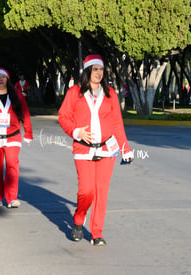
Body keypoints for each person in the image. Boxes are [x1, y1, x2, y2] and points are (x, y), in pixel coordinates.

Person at [58, 55, 134, 246]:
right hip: (83, 149)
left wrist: (125, 148)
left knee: (101, 191)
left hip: (107, 150)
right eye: (95, 69)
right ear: (87, 72)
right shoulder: (74, 92)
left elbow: (117, 123)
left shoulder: (110, 94)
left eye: (101, 69)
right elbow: (63, 117)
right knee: (87, 191)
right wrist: (76, 131)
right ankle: (78, 218)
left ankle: (97, 233)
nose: (99, 73)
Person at [0, 68, 33, 208]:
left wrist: (28, 133)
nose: (1, 79)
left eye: (3, 77)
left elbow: (25, 113)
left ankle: (11, 198)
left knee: (12, 166)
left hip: (12, 137)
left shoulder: (17, 95)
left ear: (7, 79)